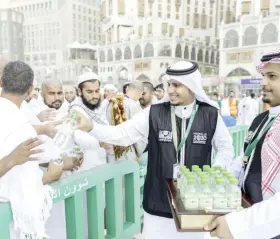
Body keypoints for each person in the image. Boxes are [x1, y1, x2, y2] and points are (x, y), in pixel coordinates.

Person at [76, 61, 234, 239]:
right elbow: (123, 134)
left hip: (195, 206)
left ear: (191, 86)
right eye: (169, 85)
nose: (171, 90)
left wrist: (212, 176)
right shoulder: (154, 113)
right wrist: (91, 127)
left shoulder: (210, 114)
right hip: (157, 203)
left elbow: (226, 148)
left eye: (177, 85)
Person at [205, 43, 280, 239]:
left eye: (273, 77)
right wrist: (215, 181)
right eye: (264, 76)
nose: (263, 83)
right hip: (252, 219)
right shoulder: (263, 119)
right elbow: (246, 162)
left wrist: (238, 225)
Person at [0, 61, 64, 239]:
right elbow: (24, 188)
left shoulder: (22, 124)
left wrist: (41, 128)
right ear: (30, 90)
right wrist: (48, 177)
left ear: (1, 82)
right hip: (9, 223)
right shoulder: (22, 127)